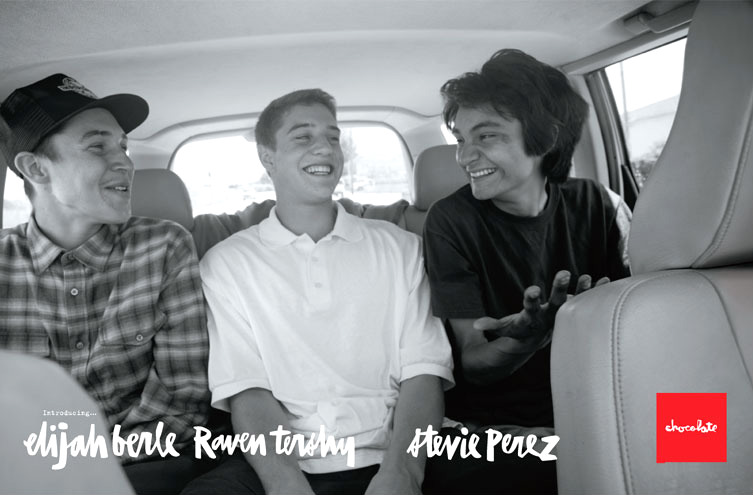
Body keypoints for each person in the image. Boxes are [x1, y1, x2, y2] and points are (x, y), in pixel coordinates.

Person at [183, 88, 453, 495]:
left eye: (332, 137)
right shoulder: (226, 264)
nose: (324, 148)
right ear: (267, 157)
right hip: (285, 462)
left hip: (400, 451)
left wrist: (403, 473)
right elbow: (247, 391)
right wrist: (286, 484)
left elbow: (424, 372)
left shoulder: (401, 248)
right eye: (303, 137)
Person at [422, 49, 631, 494]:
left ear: (544, 138)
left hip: (596, 408)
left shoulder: (599, 204)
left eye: (486, 136)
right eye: (460, 139)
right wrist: (525, 341)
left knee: (702, 434)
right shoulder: (449, 222)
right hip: (490, 429)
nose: (464, 156)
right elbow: (473, 362)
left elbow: (639, 333)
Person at [0, 74, 211, 494]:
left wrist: (86, 468)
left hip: (144, 467)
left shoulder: (163, 247)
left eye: (123, 147)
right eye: (98, 147)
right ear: (36, 168)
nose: (125, 163)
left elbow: (181, 402)